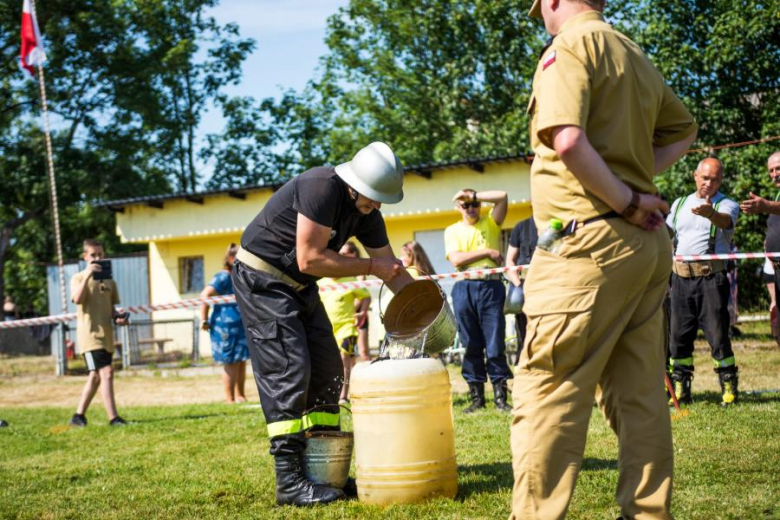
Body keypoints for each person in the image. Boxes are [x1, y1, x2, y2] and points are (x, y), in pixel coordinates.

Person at [512, 1, 697, 518]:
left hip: (587, 243)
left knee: (549, 390)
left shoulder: (568, 47)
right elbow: (684, 132)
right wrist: (635, 187)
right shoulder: (633, 52)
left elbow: (567, 138)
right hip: (644, 247)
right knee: (641, 397)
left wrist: (625, 198)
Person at [231, 141, 414, 506]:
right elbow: (310, 258)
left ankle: (325, 473)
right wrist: (369, 268)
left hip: (300, 287)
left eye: (381, 199)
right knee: (290, 369)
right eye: (373, 196)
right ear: (353, 183)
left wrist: (424, 308)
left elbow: (390, 267)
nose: (376, 205)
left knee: (329, 368)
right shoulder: (320, 186)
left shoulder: (368, 213)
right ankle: (289, 481)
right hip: (263, 280)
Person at [666, 158, 740, 406]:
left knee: (717, 335)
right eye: (705, 178)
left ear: (721, 180)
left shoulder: (727, 204)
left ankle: (728, 385)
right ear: (695, 175)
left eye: (715, 179)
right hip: (680, 279)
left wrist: (711, 214)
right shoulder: (679, 204)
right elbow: (667, 234)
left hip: (711, 278)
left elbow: (725, 222)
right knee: (678, 337)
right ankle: (681, 388)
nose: (709, 183)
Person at [444, 188, 513, 413]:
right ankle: (477, 398)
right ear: (458, 208)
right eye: (466, 205)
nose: (471, 208)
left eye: (475, 204)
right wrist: (487, 252)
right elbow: (456, 259)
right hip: (464, 286)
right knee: (470, 343)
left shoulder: (491, 222)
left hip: (491, 285)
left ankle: (501, 397)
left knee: (495, 343)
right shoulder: (452, 230)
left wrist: (473, 194)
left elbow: (502, 196)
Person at [69, 239, 130, 427]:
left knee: (95, 377)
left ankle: (78, 416)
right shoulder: (78, 278)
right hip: (89, 336)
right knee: (107, 372)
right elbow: (77, 299)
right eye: (93, 255)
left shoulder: (110, 281)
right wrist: (88, 275)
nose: (97, 258)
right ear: (85, 257)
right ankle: (114, 418)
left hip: (107, 336)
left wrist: (119, 317)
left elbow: (111, 309)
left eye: (100, 255)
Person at [318, 242, 372, 404]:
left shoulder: (350, 280)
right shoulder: (320, 282)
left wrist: (362, 311)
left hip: (347, 327)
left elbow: (366, 296)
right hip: (327, 329)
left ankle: (343, 395)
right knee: (328, 362)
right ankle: (329, 393)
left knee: (344, 358)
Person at [200, 243, 249, 404]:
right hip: (225, 328)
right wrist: (204, 319)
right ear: (231, 258)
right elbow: (205, 295)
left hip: (241, 326)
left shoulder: (239, 275)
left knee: (241, 361)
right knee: (231, 363)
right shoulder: (222, 277)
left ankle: (241, 396)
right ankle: (230, 399)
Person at [740, 151, 780, 345]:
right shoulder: (778, 195)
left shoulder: (774, 201)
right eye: (771, 170)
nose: (774, 174)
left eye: (778, 168)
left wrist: (767, 206)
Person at [505, 216, 538, 359]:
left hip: (549, 287)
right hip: (524, 286)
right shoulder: (522, 226)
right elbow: (510, 261)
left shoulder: (556, 224)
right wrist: (519, 286)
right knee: (524, 333)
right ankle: (524, 363)